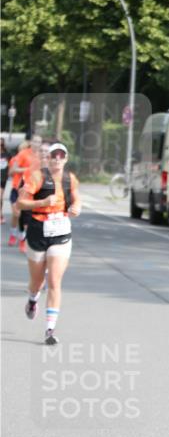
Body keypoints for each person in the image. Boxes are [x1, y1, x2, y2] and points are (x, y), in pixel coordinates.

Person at [17, 141, 81, 345]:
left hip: (61, 232)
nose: (58, 159)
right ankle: (32, 299)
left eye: (62, 156)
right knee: (37, 282)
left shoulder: (70, 179)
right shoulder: (38, 177)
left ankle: (50, 330)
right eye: (54, 155)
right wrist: (42, 203)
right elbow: (20, 203)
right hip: (38, 230)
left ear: (66, 159)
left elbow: (77, 200)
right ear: (49, 158)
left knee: (54, 280)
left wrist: (76, 209)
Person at [8, 135, 42, 251]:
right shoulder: (23, 154)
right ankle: (13, 233)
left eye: (39, 142)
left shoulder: (42, 156)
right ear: (31, 142)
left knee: (26, 216)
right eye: (35, 141)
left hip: (31, 190)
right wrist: (28, 169)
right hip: (17, 187)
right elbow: (13, 171)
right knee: (16, 214)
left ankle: (22, 239)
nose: (37, 144)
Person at [0, 138, 9, 223]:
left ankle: (1, 215)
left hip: (2, 178)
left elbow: (11, 164)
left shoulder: (7, 155)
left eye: (1, 145)